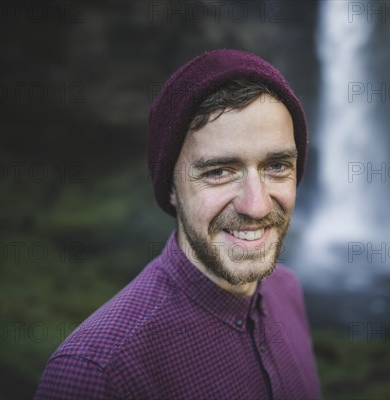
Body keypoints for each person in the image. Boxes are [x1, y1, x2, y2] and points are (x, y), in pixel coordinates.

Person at [34, 49, 321, 399]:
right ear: (170, 187)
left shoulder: (286, 290)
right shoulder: (95, 372)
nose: (257, 205)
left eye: (276, 166)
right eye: (219, 172)